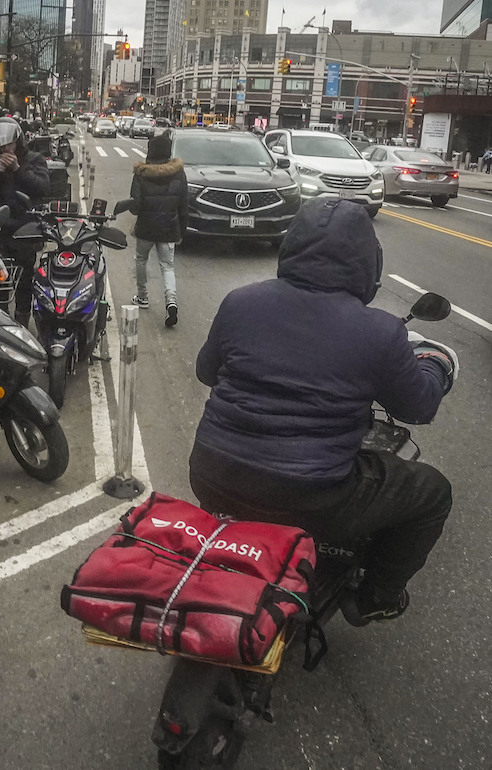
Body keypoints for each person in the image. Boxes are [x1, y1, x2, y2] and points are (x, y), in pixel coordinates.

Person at [189, 197, 456, 626]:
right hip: (311, 498)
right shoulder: (380, 332)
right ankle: (377, 596)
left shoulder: (240, 302)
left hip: (212, 475)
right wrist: (435, 366)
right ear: (369, 263)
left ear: (291, 247)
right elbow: (419, 406)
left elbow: (207, 372)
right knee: (433, 492)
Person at [0, 118, 50, 324]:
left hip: (25, 227)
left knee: (24, 278)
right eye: (1, 147)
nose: (5, 150)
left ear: (18, 141)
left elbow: (42, 188)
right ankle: (0, 321)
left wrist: (18, 169)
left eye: (9, 145)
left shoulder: (34, 159)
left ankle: (23, 321)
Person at [126, 129, 188, 328]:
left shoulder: (141, 174)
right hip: (169, 228)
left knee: (141, 259)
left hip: (146, 227)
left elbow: (135, 207)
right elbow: (184, 205)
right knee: (167, 266)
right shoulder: (179, 173)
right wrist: (182, 231)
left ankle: (142, 296)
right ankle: (171, 301)